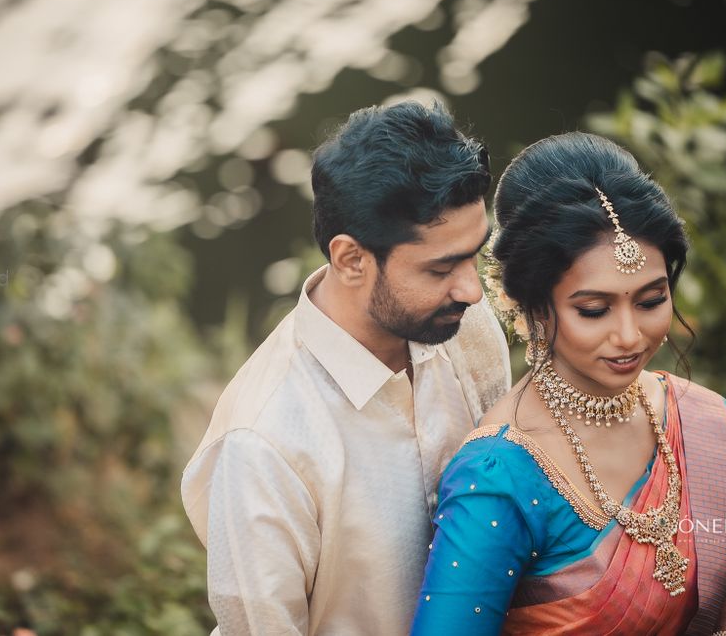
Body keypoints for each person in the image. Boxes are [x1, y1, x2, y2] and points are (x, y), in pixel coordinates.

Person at [181, 101, 511, 635]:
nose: (472, 289)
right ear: (352, 259)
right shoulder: (263, 446)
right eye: (442, 267)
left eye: (475, 254)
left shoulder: (460, 323)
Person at [411, 132, 726, 635]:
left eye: (650, 300)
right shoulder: (499, 478)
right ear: (532, 306)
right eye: (593, 310)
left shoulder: (698, 419)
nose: (629, 336)